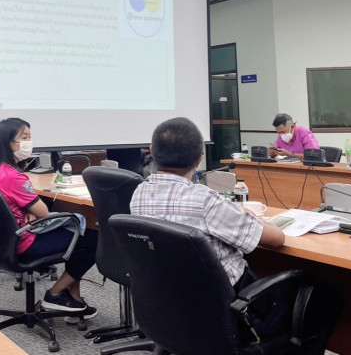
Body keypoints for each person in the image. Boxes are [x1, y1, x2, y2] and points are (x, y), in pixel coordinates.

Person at [130, 117, 339, 352]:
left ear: (152, 151)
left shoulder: (139, 194)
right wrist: (246, 217)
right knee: (324, 299)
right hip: (234, 311)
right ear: (199, 160)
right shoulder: (204, 200)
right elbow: (276, 239)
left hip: (175, 307)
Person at [0, 117, 98, 318]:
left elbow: (17, 204)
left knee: (78, 235)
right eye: (24, 138)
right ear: (8, 143)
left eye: (30, 137)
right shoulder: (15, 177)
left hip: (1, 242)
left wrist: (28, 208)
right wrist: (34, 209)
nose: (29, 142)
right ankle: (55, 294)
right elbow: (44, 212)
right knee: (94, 239)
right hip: (25, 242)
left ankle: (74, 301)